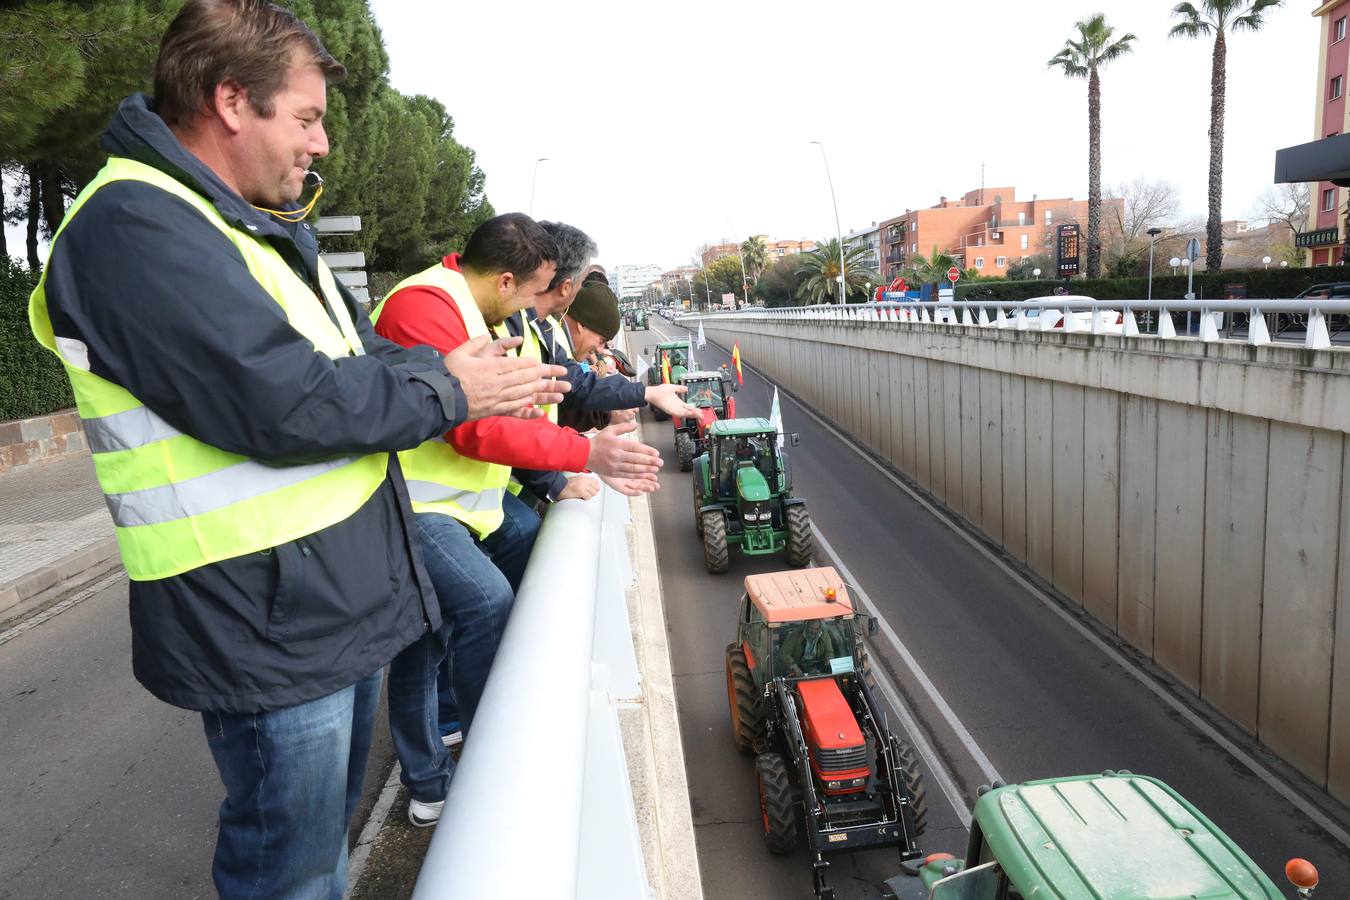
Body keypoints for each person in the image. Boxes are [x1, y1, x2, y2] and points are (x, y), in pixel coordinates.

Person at [26, 1, 567, 896]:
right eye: (307, 118)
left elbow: (355, 359)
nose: (319, 145)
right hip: (261, 618)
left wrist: (445, 371)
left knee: (320, 852)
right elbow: (282, 400)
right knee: (292, 870)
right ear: (233, 100)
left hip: (318, 604)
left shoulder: (242, 224)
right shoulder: (133, 226)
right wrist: (450, 387)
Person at [371, 214, 661, 827]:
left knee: (434, 636)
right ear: (508, 281)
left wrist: (629, 403)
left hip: (457, 506)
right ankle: (480, 765)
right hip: (410, 504)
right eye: (536, 294)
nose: (543, 310)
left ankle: (443, 758)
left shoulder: (485, 316)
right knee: (478, 607)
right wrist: (583, 455)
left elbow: (540, 395)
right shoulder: (424, 310)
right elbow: (474, 426)